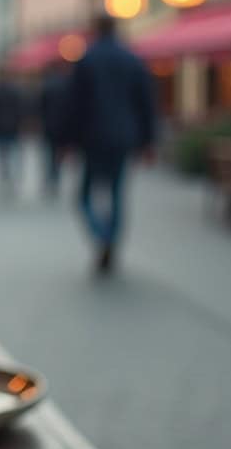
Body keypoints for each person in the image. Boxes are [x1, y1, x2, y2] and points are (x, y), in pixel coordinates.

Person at [61, 15, 156, 273]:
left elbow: (74, 104)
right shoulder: (132, 59)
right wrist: (148, 141)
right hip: (124, 137)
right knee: (116, 193)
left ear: (95, 29)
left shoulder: (87, 60)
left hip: (92, 138)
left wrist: (67, 140)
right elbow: (146, 103)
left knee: (84, 196)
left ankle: (101, 234)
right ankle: (111, 238)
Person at [0, 69, 25, 192]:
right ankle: (12, 178)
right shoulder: (15, 92)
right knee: (13, 155)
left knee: (0, 155)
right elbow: (20, 110)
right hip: (12, 128)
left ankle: (2, 177)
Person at [39, 61, 71, 195]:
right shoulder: (68, 85)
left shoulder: (47, 85)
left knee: (48, 154)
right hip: (63, 125)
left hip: (48, 124)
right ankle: (56, 177)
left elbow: (41, 106)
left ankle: (50, 178)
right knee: (58, 154)